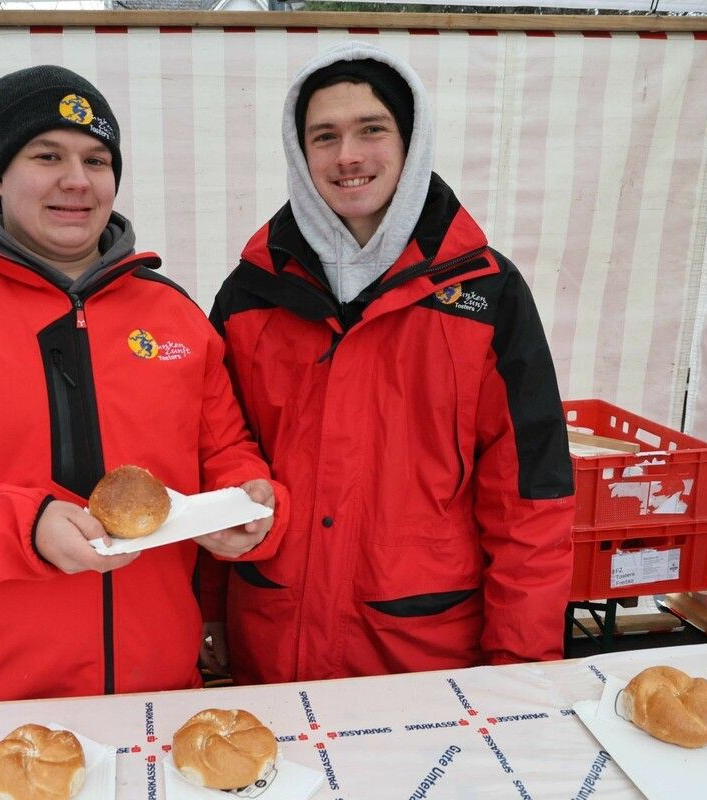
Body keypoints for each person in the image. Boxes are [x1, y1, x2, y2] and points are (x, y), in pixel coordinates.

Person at [0, 65, 285, 704]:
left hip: (165, 691)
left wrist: (247, 500)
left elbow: (224, 451)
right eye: (47, 155)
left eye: (97, 160)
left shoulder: (174, 315)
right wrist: (21, 529)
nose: (77, 180)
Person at [210, 42, 575, 684]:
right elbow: (214, 462)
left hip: (422, 652)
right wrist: (204, 612)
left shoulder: (487, 294)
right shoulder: (250, 291)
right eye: (324, 136)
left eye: (371, 130)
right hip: (272, 645)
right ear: (300, 155)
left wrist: (522, 667)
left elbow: (530, 498)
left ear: (410, 140)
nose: (348, 156)